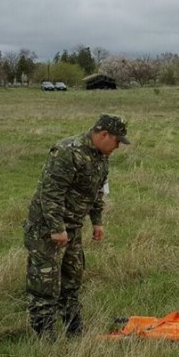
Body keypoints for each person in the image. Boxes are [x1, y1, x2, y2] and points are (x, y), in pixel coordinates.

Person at [23, 113, 130, 338]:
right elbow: (50, 193)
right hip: (46, 228)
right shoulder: (67, 152)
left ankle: (73, 329)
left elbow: (97, 191)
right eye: (117, 141)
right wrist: (56, 228)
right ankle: (44, 335)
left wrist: (97, 221)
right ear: (104, 134)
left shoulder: (101, 157)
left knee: (72, 278)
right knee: (45, 282)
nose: (118, 146)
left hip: (72, 227)